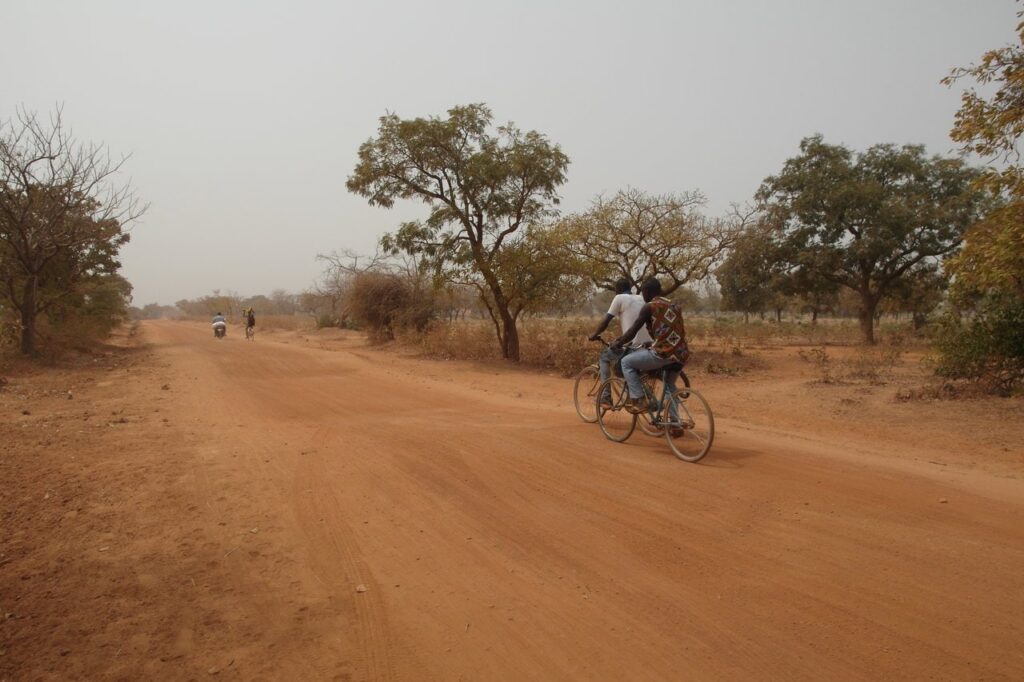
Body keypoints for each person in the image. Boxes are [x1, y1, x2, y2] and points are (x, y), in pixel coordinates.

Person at [610, 277, 690, 414]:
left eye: (643, 293)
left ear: (647, 292)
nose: (643, 296)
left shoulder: (649, 306)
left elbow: (632, 331)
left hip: (663, 354)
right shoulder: (675, 306)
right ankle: (675, 423)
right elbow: (670, 331)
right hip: (681, 354)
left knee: (626, 363)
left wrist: (619, 343)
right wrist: (653, 343)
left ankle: (639, 400)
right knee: (669, 385)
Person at [588, 278, 652, 407]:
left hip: (633, 344)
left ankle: (605, 397)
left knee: (604, 357)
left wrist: (595, 334)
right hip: (648, 344)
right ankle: (637, 394)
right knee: (626, 365)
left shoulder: (619, 298)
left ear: (617, 289)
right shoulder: (641, 298)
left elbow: (606, 320)